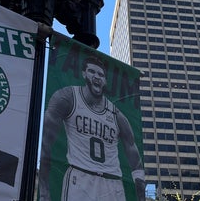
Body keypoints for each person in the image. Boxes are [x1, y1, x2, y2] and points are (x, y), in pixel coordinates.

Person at [39, 56, 145, 201]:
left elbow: (135, 158)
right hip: (81, 176)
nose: (96, 77)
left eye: (101, 74)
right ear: (84, 73)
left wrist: (140, 194)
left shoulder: (117, 115)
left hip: (113, 182)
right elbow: (47, 143)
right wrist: (44, 189)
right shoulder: (68, 97)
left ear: (105, 81)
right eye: (92, 71)